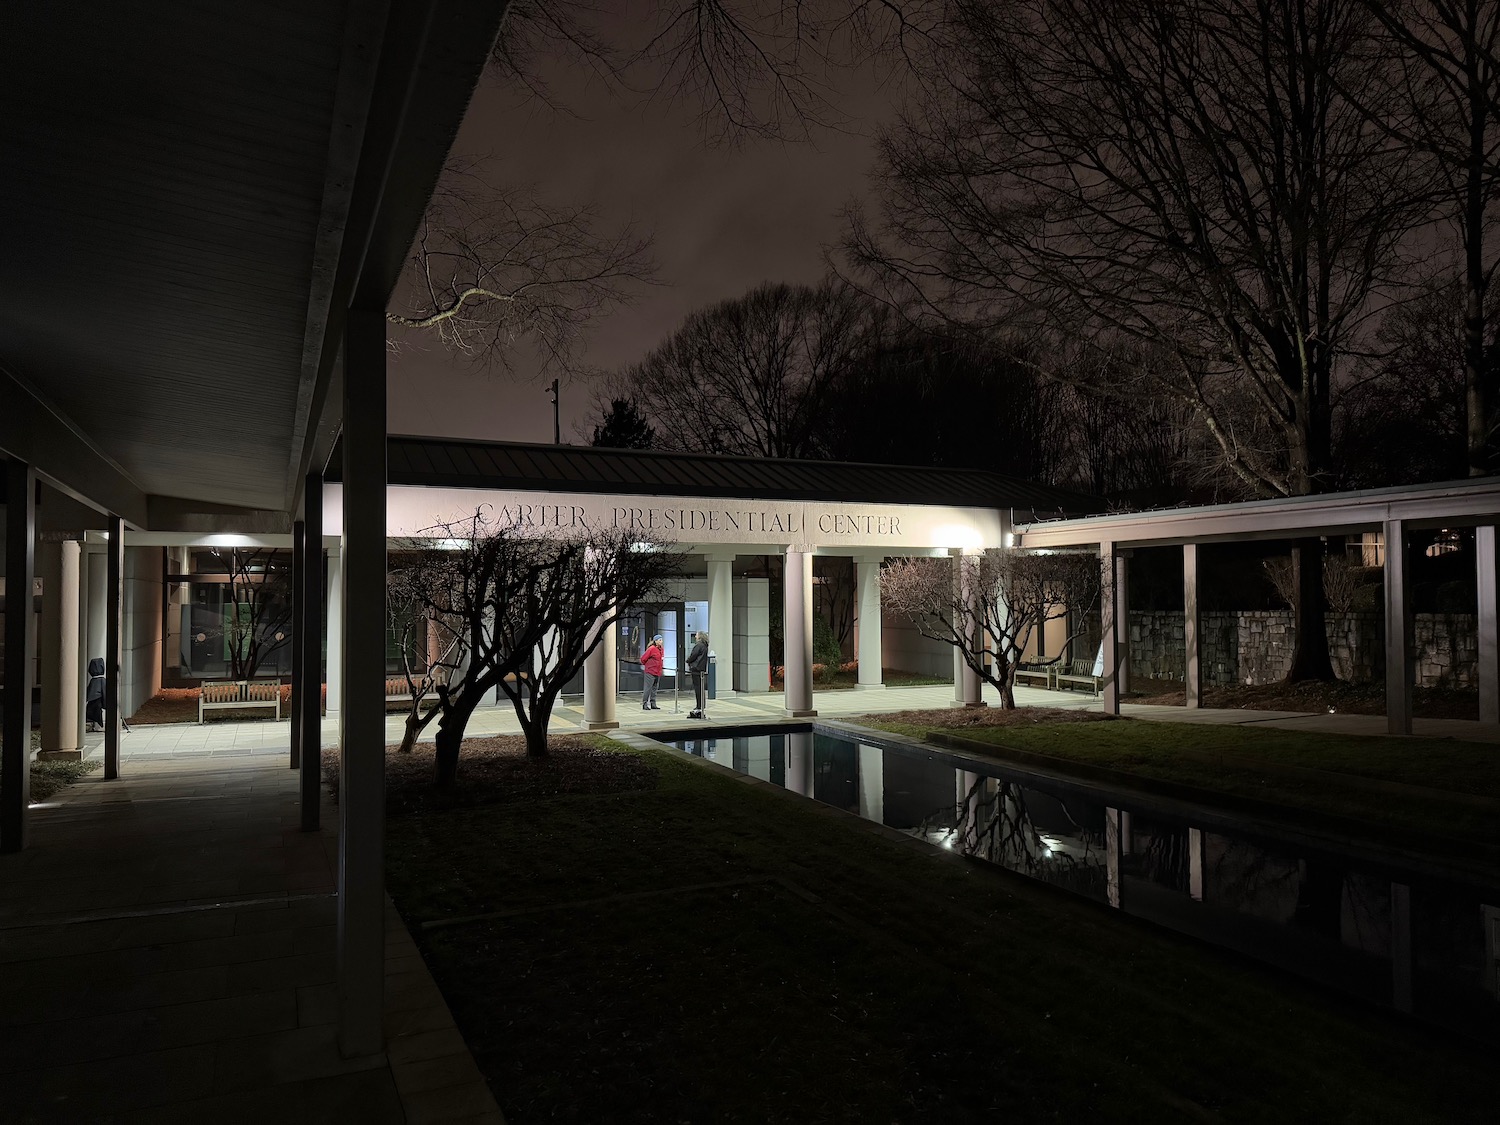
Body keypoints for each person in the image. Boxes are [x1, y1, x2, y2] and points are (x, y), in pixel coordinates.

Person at [686, 631, 710, 718]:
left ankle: (699, 706)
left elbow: (694, 655)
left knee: (698, 689)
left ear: (699, 636)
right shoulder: (705, 645)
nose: (695, 636)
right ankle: (701, 705)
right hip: (701, 669)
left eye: (696, 635)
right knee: (701, 688)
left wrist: (688, 660)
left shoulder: (699, 645)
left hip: (696, 669)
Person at [640, 633, 664, 710]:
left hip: (658, 672)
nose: (661, 641)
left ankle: (653, 703)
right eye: (660, 640)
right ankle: (644, 703)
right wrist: (648, 665)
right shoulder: (651, 649)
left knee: (654, 688)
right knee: (648, 688)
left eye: (661, 640)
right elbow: (643, 659)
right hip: (650, 672)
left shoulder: (661, 649)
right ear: (656, 641)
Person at [85, 657, 105, 732]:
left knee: (91, 713)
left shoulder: (93, 681)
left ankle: (92, 725)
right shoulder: (102, 680)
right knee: (97, 714)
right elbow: (104, 692)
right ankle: (98, 726)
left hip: (91, 700)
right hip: (98, 700)